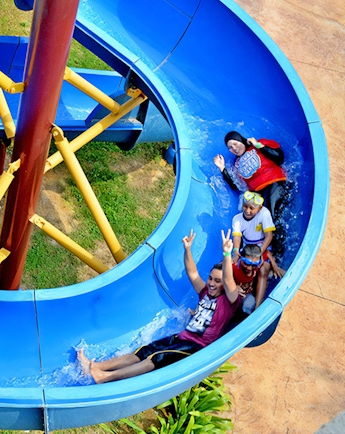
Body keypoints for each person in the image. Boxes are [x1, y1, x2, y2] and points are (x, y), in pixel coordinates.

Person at [77, 229, 241, 384]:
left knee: (156, 358)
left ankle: (105, 377)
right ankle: (96, 366)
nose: (211, 283)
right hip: (182, 337)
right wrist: (188, 249)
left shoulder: (230, 301)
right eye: (211, 278)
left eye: (217, 281)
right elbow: (192, 273)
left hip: (197, 346)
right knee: (144, 351)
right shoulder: (205, 292)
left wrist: (227, 254)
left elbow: (228, 280)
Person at [213, 131, 289, 257]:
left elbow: (279, 158)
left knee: (271, 215)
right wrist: (222, 169)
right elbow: (236, 186)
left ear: (242, 140)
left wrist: (258, 145)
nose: (234, 148)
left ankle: (278, 256)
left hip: (274, 182)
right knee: (251, 219)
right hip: (258, 192)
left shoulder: (258, 144)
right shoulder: (235, 165)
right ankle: (249, 255)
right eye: (230, 148)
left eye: (235, 144)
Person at [231, 191, 286, 313]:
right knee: (239, 267)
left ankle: (257, 307)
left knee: (262, 269)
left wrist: (259, 253)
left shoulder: (264, 213)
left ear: (259, 208)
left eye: (252, 208)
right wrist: (235, 252)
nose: (247, 211)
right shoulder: (237, 219)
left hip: (263, 246)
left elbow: (269, 236)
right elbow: (237, 237)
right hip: (247, 247)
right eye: (245, 206)